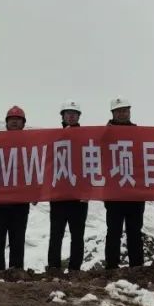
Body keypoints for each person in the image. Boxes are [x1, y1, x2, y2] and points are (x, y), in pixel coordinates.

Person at [0, 106, 31, 272]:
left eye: (18, 119)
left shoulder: (30, 144)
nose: (14, 122)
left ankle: (16, 272)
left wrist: (36, 193)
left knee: (17, 240)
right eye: (11, 119)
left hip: (20, 202)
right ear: (6, 122)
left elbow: (36, 168)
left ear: (23, 123)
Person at [104, 97, 145, 269]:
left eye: (125, 110)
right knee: (114, 231)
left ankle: (137, 267)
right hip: (114, 192)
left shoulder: (138, 133)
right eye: (119, 111)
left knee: (135, 231)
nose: (122, 114)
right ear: (113, 113)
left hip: (135, 191)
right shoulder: (104, 134)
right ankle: (111, 267)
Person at [48, 100, 88, 272]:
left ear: (79, 116)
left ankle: (75, 269)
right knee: (56, 234)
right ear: (63, 116)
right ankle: (53, 267)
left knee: (77, 235)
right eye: (68, 113)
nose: (71, 116)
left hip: (79, 196)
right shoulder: (53, 137)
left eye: (74, 113)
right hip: (58, 194)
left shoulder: (87, 137)